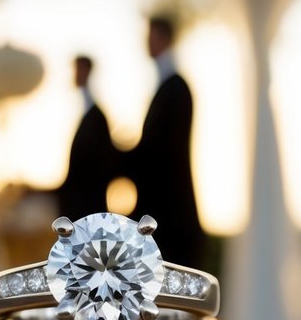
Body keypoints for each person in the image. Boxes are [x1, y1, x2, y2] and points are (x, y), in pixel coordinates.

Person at [129, 15, 206, 268]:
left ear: (164, 39)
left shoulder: (175, 89)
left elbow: (163, 154)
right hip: (166, 212)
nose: (146, 43)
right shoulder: (170, 87)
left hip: (170, 214)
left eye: (151, 37)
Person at [56, 55, 118, 220]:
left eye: (77, 69)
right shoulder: (89, 116)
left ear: (86, 71)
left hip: (88, 211)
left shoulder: (95, 118)